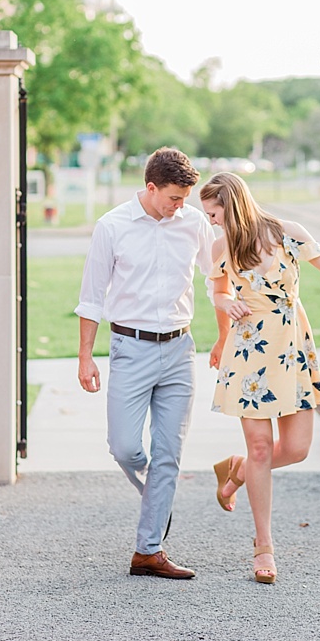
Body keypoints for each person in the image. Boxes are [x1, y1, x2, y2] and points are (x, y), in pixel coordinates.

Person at [200, 172, 320, 584]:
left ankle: (237, 469)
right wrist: (226, 301)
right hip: (247, 350)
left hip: (290, 347)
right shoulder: (220, 246)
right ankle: (263, 546)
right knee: (263, 448)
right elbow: (215, 291)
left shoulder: (288, 234)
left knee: (298, 448)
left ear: (231, 205)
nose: (211, 221)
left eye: (214, 213)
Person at [75, 147, 215, 579]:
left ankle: (148, 550)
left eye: (186, 198)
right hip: (129, 349)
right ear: (150, 188)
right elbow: (91, 297)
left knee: (169, 453)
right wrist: (86, 357)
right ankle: (158, 496)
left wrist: (227, 333)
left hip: (179, 350)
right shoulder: (112, 226)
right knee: (125, 447)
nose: (182, 206)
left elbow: (218, 276)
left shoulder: (193, 224)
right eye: (174, 197)